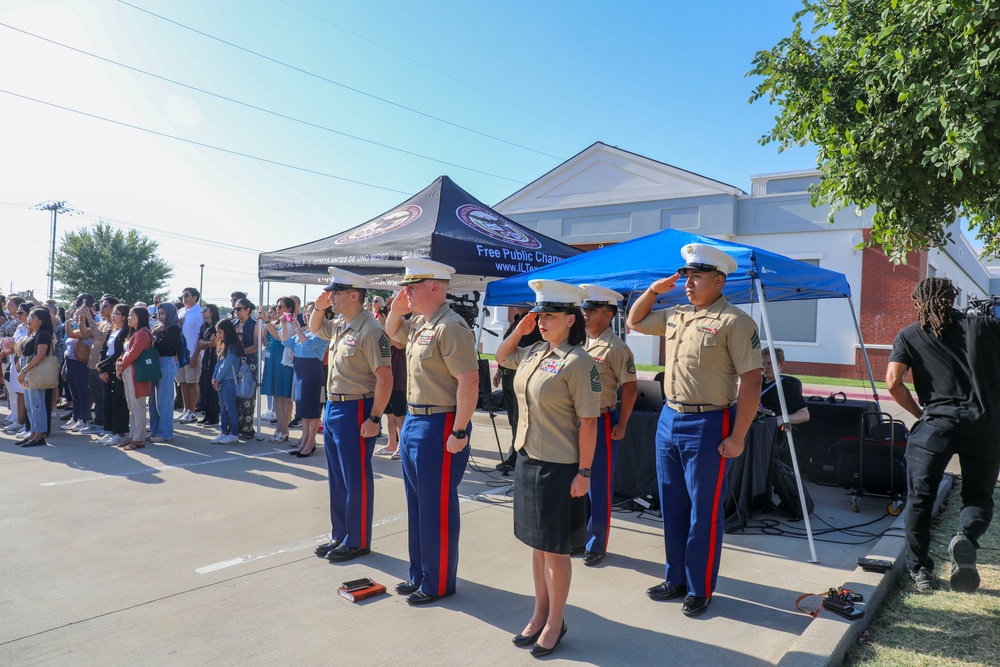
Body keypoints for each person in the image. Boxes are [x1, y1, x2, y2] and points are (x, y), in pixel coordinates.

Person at [627, 243, 762, 617]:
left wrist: (738, 436)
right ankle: (676, 578)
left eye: (696, 276)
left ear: (719, 281)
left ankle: (700, 587)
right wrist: (654, 291)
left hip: (709, 422)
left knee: (703, 511)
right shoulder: (677, 314)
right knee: (672, 506)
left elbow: (751, 383)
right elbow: (634, 323)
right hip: (669, 418)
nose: (688, 283)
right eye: (686, 275)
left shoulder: (736, 321)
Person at [495, 280, 600, 657]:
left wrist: (584, 474)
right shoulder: (535, 351)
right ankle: (539, 613)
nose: (541, 322)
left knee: (555, 550)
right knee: (537, 546)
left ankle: (556, 621)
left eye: (550, 316)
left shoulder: (580, 362)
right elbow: (501, 357)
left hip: (559, 466)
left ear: (571, 320)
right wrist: (519, 330)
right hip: (528, 459)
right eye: (539, 315)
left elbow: (589, 423)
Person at [886, 277, 1000, 593]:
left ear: (921, 303)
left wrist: (920, 414)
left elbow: (893, 382)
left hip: (936, 428)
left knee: (920, 499)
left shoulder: (909, 335)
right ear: (952, 298)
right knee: (978, 495)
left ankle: (920, 571)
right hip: (987, 427)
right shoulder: (987, 326)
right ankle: (965, 537)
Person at [385, 258, 479, 605]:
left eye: (412, 286)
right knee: (417, 504)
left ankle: (438, 581)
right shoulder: (423, 323)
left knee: (436, 507)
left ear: (435, 288)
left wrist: (459, 431)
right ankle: (420, 573)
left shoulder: (450, 326)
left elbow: (468, 381)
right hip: (414, 421)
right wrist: (396, 309)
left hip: (440, 424)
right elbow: (392, 333)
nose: (406, 292)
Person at [310, 268, 392, 562]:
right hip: (334, 407)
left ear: (354, 296)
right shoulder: (343, 326)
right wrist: (319, 307)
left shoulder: (370, 330)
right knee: (337, 477)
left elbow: (385, 378)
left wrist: (374, 418)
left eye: (336, 292)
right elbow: (316, 327)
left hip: (357, 407)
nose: (330, 296)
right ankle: (340, 534)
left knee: (354, 477)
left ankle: (357, 540)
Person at [575, 284, 637, 566]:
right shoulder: (579, 342)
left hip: (602, 419)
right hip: (576, 420)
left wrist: (622, 423)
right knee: (576, 481)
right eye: (585, 308)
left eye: (592, 309)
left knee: (598, 485)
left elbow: (631, 388)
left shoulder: (617, 348)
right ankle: (577, 535)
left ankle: (596, 543)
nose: (585, 313)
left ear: (609, 314)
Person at [492, 307, 542, 471]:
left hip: (520, 373)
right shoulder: (516, 321)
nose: (515, 305)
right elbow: (506, 350)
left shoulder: (533, 324)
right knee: (512, 415)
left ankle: (516, 455)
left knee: (519, 417)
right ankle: (515, 452)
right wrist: (499, 370)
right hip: (508, 373)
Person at [284, 314, 327, 456]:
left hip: (312, 372)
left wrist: (297, 328)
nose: (308, 316)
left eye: (311, 313)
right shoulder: (305, 332)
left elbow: (308, 346)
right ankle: (304, 440)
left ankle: (310, 442)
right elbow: (287, 343)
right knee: (303, 408)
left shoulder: (322, 333)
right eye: (308, 313)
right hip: (300, 372)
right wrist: (285, 325)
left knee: (312, 409)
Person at [15, 306, 56, 447]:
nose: (29, 319)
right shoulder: (32, 333)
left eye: (32, 317)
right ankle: (33, 432)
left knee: (37, 404)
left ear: (41, 321)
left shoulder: (43, 334)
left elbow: (40, 355)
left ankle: (39, 435)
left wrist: (24, 370)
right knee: (30, 405)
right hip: (29, 372)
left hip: (35, 372)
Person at [77, 295, 117, 437]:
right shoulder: (100, 322)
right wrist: (82, 319)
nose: (101, 307)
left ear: (113, 309)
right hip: (92, 365)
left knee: (104, 397)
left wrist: (90, 318)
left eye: (105, 305)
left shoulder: (112, 324)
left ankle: (105, 424)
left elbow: (100, 337)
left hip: (102, 367)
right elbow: (84, 333)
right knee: (97, 397)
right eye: (101, 305)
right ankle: (99, 422)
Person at [115, 307, 153, 450]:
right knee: (132, 406)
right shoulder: (135, 333)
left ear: (140, 317)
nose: (129, 317)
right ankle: (132, 435)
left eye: (132, 315)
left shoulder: (143, 333)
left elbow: (134, 354)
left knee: (138, 407)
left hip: (136, 373)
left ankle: (138, 439)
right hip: (128, 371)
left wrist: (121, 366)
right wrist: (119, 362)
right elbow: (125, 352)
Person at [259, 297, 295, 443]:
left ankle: (284, 429)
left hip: (285, 364)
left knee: (285, 398)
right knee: (277, 396)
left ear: (290, 309)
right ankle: (279, 429)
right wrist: (267, 322)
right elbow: (266, 339)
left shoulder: (290, 322)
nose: (278, 309)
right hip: (274, 361)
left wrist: (267, 322)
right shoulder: (277, 322)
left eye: (281, 306)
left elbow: (279, 337)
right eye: (277, 306)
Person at [375, 296, 406, 459]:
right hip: (386, 376)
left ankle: (402, 445)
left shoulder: (402, 326)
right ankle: (391, 443)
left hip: (399, 377)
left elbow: (399, 343)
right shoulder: (385, 326)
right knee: (389, 414)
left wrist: (384, 326)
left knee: (400, 415)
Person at [96, 304, 131, 447]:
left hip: (117, 370)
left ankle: (120, 433)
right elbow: (103, 350)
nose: (113, 315)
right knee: (107, 400)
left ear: (124, 317)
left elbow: (118, 354)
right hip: (107, 369)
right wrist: (101, 369)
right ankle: (110, 430)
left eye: (116, 313)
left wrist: (102, 365)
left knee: (118, 400)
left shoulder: (126, 333)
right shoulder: (111, 331)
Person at [148, 303, 182, 442]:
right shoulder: (160, 328)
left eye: (164, 313)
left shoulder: (174, 328)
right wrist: (155, 332)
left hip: (167, 363)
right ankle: (155, 430)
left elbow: (162, 346)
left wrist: (156, 333)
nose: (161, 317)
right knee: (152, 401)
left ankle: (165, 433)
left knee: (164, 401)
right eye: (159, 313)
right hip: (156, 363)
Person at [211, 319, 245, 445]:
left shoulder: (233, 347)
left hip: (229, 381)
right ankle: (223, 431)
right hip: (221, 381)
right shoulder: (223, 346)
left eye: (220, 332)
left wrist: (217, 379)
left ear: (227, 331)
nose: (218, 335)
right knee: (222, 407)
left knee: (231, 408)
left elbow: (226, 365)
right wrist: (214, 377)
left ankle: (234, 434)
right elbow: (218, 364)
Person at [759, 347, 810, 427]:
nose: (765, 367)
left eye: (769, 363)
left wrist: (782, 418)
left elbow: (804, 415)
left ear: (781, 365)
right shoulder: (756, 383)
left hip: (772, 430)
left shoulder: (789, 387)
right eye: (763, 364)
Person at [232, 298, 258, 440]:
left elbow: (255, 346)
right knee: (234, 395)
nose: (236, 311)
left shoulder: (254, 324)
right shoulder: (234, 324)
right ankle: (235, 427)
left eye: (238, 309)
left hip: (249, 363)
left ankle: (247, 428)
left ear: (247, 310)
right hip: (235, 363)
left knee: (247, 395)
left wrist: (241, 352)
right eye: (235, 309)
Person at [176, 287, 203, 423]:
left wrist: (195, 354)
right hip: (181, 354)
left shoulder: (199, 313)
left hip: (192, 352)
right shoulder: (181, 312)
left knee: (192, 382)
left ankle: (192, 412)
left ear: (195, 297)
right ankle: (186, 410)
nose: (184, 298)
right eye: (183, 295)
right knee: (183, 382)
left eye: (187, 295)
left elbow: (200, 336)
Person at [196, 304, 221, 427]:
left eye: (205, 310)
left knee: (213, 389)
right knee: (205, 387)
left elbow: (215, 343)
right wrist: (207, 343)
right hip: (206, 359)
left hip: (215, 359)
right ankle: (206, 415)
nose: (203, 312)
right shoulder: (204, 326)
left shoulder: (217, 326)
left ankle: (213, 417)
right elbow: (201, 342)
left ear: (212, 312)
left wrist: (206, 343)